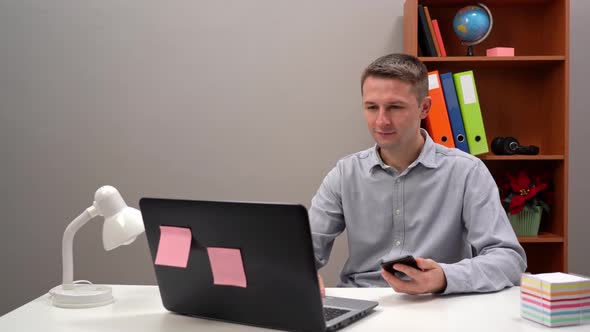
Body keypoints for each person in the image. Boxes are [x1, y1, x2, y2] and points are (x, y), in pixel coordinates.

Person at [310, 53, 527, 295]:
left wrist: (445, 277)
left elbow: (509, 260)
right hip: (363, 302)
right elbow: (305, 249)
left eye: (395, 107)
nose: (381, 121)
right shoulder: (345, 174)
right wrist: (301, 272)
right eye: (372, 107)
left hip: (439, 304)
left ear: (424, 107)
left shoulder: (467, 172)